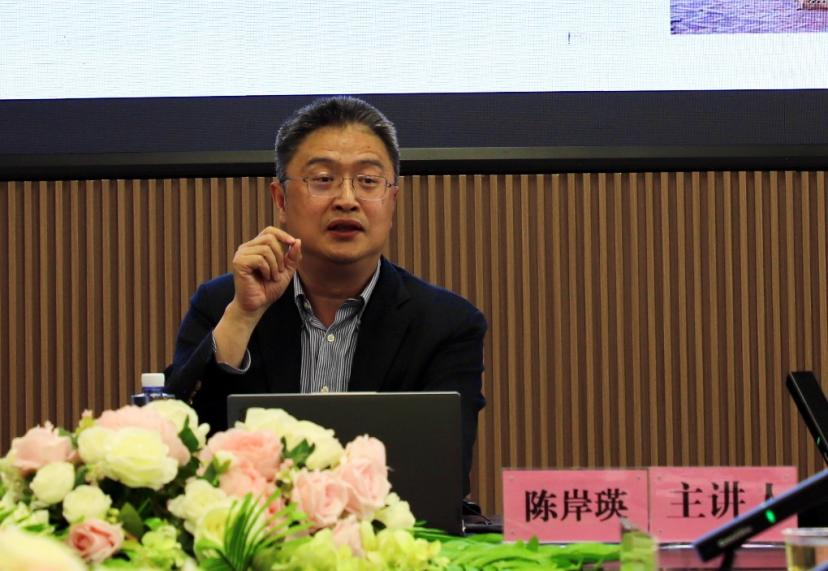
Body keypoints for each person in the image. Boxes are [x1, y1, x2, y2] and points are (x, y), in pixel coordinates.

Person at [165, 96, 486, 494]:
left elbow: (442, 475)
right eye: (322, 179)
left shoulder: (446, 324)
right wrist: (243, 317)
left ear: (392, 201)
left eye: (368, 181)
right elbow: (176, 446)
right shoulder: (223, 306)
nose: (347, 199)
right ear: (281, 200)